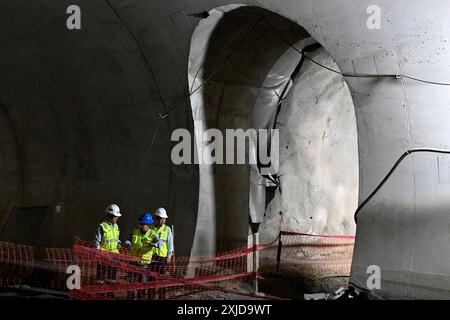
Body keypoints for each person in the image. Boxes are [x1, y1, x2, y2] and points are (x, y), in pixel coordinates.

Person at [125, 213, 162, 299]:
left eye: (142, 224)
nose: (140, 226)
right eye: (140, 223)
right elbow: (127, 240)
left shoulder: (152, 234)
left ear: (148, 225)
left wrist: (154, 244)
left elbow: (160, 242)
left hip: (144, 264)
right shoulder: (135, 231)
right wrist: (128, 244)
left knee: (142, 284)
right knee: (130, 283)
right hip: (133, 262)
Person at [94, 204, 122, 291]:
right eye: (115, 216)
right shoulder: (102, 226)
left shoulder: (116, 226)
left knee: (112, 276)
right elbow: (97, 241)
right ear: (109, 215)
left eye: (117, 216)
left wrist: (118, 243)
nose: (116, 218)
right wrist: (98, 254)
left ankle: (109, 291)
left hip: (114, 255)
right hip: (103, 255)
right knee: (101, 276)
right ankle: (100, 292)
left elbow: (116, 238)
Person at [149, 208, 173, 299]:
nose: (163, 220)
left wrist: (169, 256)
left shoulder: (167, 229)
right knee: (151, 279)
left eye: (164, 219)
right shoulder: (150, 229)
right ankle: (151, 296)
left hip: (162, 258)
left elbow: (170, 244)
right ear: (156, 218)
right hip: (151, 258)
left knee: (162, 279)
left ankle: (162, 297)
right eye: (161, 218)